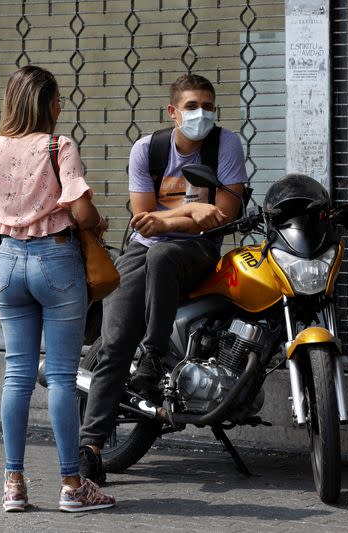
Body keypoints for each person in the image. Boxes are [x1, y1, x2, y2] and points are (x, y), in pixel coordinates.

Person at [78, 73, 248, 483]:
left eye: (208, 105)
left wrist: (172, 218)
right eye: (191, 107)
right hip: (142, 250)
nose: (201, 114)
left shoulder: (225, 145)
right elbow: (143, 219)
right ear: (173, 112)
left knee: (166, 255)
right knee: (115, 342)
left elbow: (224, 213)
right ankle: (89, 449)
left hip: (198, 251)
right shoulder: (147, 150)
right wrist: (190, 212)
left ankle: (153, 355)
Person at [0, 65, 115, 513]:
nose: (61, 107)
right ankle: (72, 484)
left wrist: (15, 221)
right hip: (56, 260)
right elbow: (82, 210)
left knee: (17, 375)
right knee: (63, 379)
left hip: (9, 264)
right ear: (49, 104)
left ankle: (13, 484)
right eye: (58, 100)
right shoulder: (58, 146)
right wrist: (97, 221)